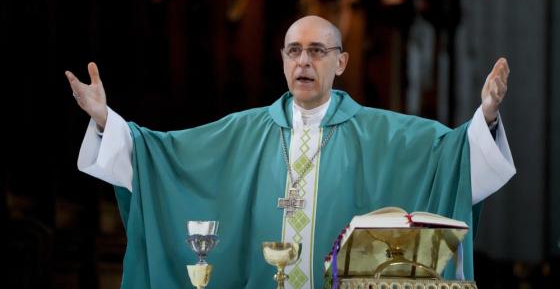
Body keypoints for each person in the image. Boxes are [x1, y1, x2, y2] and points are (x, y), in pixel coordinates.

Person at [65, 15, 515, 289]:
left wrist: (487, 117)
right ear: (282, 60)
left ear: (340, 62)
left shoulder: (387, 134)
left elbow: (454, 156)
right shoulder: (241, 132)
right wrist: (107, 120)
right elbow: (160, 157)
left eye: (317, 51)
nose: (304, 61)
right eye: (294, 51)